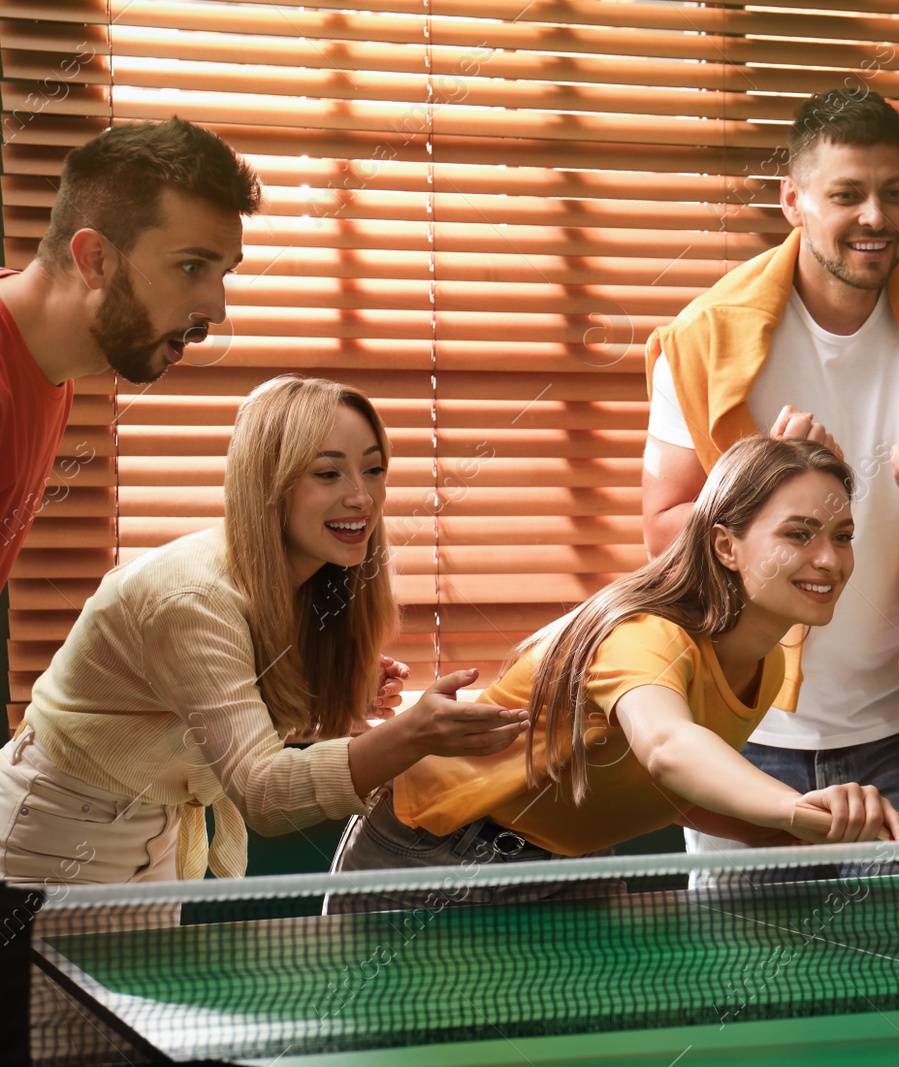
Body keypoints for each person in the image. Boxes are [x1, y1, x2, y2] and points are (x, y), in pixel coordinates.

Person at [641, 90, 899, 872]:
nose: (875, 216)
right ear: (795, 202)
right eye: (847, 193)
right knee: (746, 984)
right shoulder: (704, 335)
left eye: (895, 191)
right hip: (742, 730)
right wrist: (758, 492)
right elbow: (660, 532)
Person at [329, 436, 899, 904]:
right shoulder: (647, 635)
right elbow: (667, 748)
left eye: (843, 536)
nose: (829, 559)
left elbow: (664, 788)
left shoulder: (767, 663)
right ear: (726, 547)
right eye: (798, 534)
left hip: (568, 865)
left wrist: (796, 830)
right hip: (434, 857)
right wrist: (793, 806)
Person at [0, 376, 529, 884]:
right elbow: (264, 793)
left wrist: (322, 697)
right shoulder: (192, 599)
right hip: (49, 831)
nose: (362, 498)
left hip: (152, 829)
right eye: (328, 473)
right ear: (267, 483)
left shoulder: (303, 581)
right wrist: (411, 735)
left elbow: (215, 717)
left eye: (373, 470)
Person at [1, 116, 259, 588]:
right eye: (190, 265)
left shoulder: (50, 368)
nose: (217, 311)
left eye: (223, 272)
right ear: (95, 260)